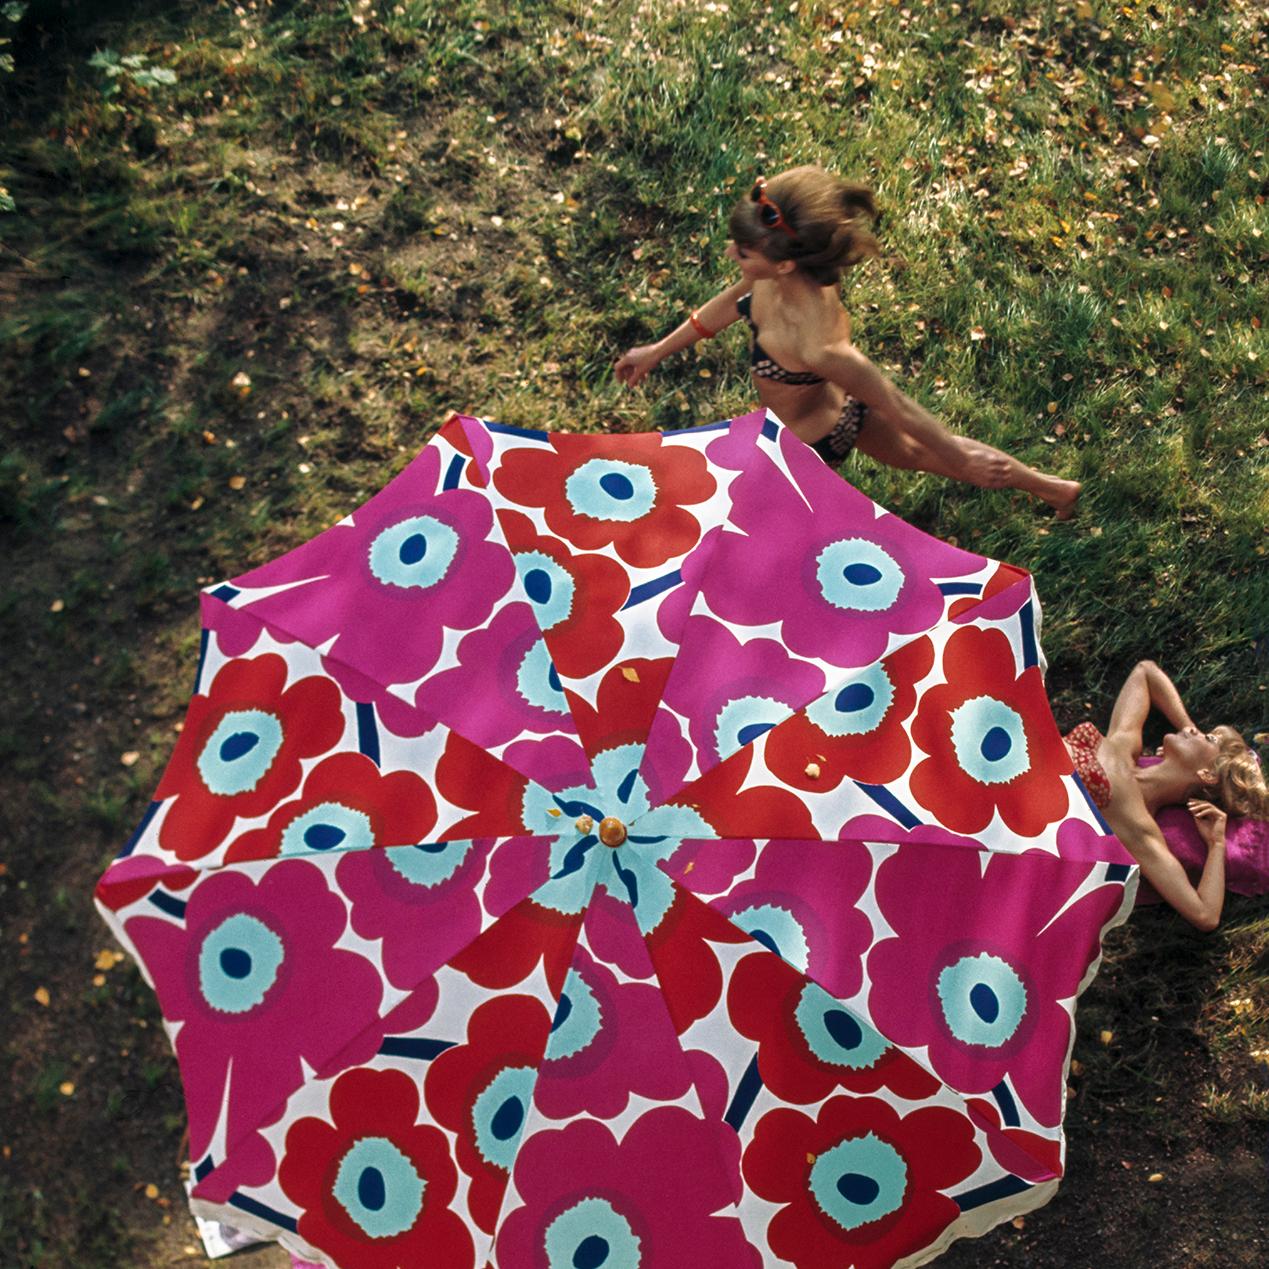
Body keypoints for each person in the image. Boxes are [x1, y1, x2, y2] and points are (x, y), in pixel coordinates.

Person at [614, 165, 1081, 517]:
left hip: (809, 444)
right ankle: (1054, 488)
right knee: (917, 456)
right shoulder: (769, 280)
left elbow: (893, 403)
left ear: (782, 265)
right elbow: (724, 307)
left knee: (747, 518)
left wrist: (960, 457)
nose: (729, 252)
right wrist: (656, 352)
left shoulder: (818, 344)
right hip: (832, 412)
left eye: (743, 250)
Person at [1065, 659, 1269, 931]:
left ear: (1207, 775)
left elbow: (1205, 915)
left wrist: (1217, 844)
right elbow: (1145, 672)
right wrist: (1190, 731)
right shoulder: (1126, 744)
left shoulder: (1138, 827)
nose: (1197, 731)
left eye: (1209, 739)